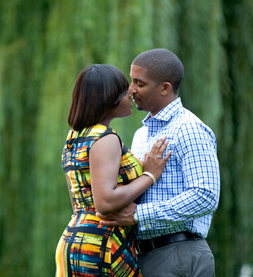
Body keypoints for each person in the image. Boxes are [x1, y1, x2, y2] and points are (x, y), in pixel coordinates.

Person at [96, 49, 220, 277]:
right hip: (145, 256)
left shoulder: (189, 129)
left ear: (165, 88)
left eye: (139, 83)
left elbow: (205, 195)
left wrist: (139, 215)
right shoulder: (141, 135)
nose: (130, 90)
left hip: (178, 254)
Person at [56, 64, 172, 277]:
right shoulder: (106, 138)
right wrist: (150, 175)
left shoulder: (74, 137)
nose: (131, 96)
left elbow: (79, 201)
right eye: (125, 93)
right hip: (102, 244)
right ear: (109, 100)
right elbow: (105, 201)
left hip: (76, 238)